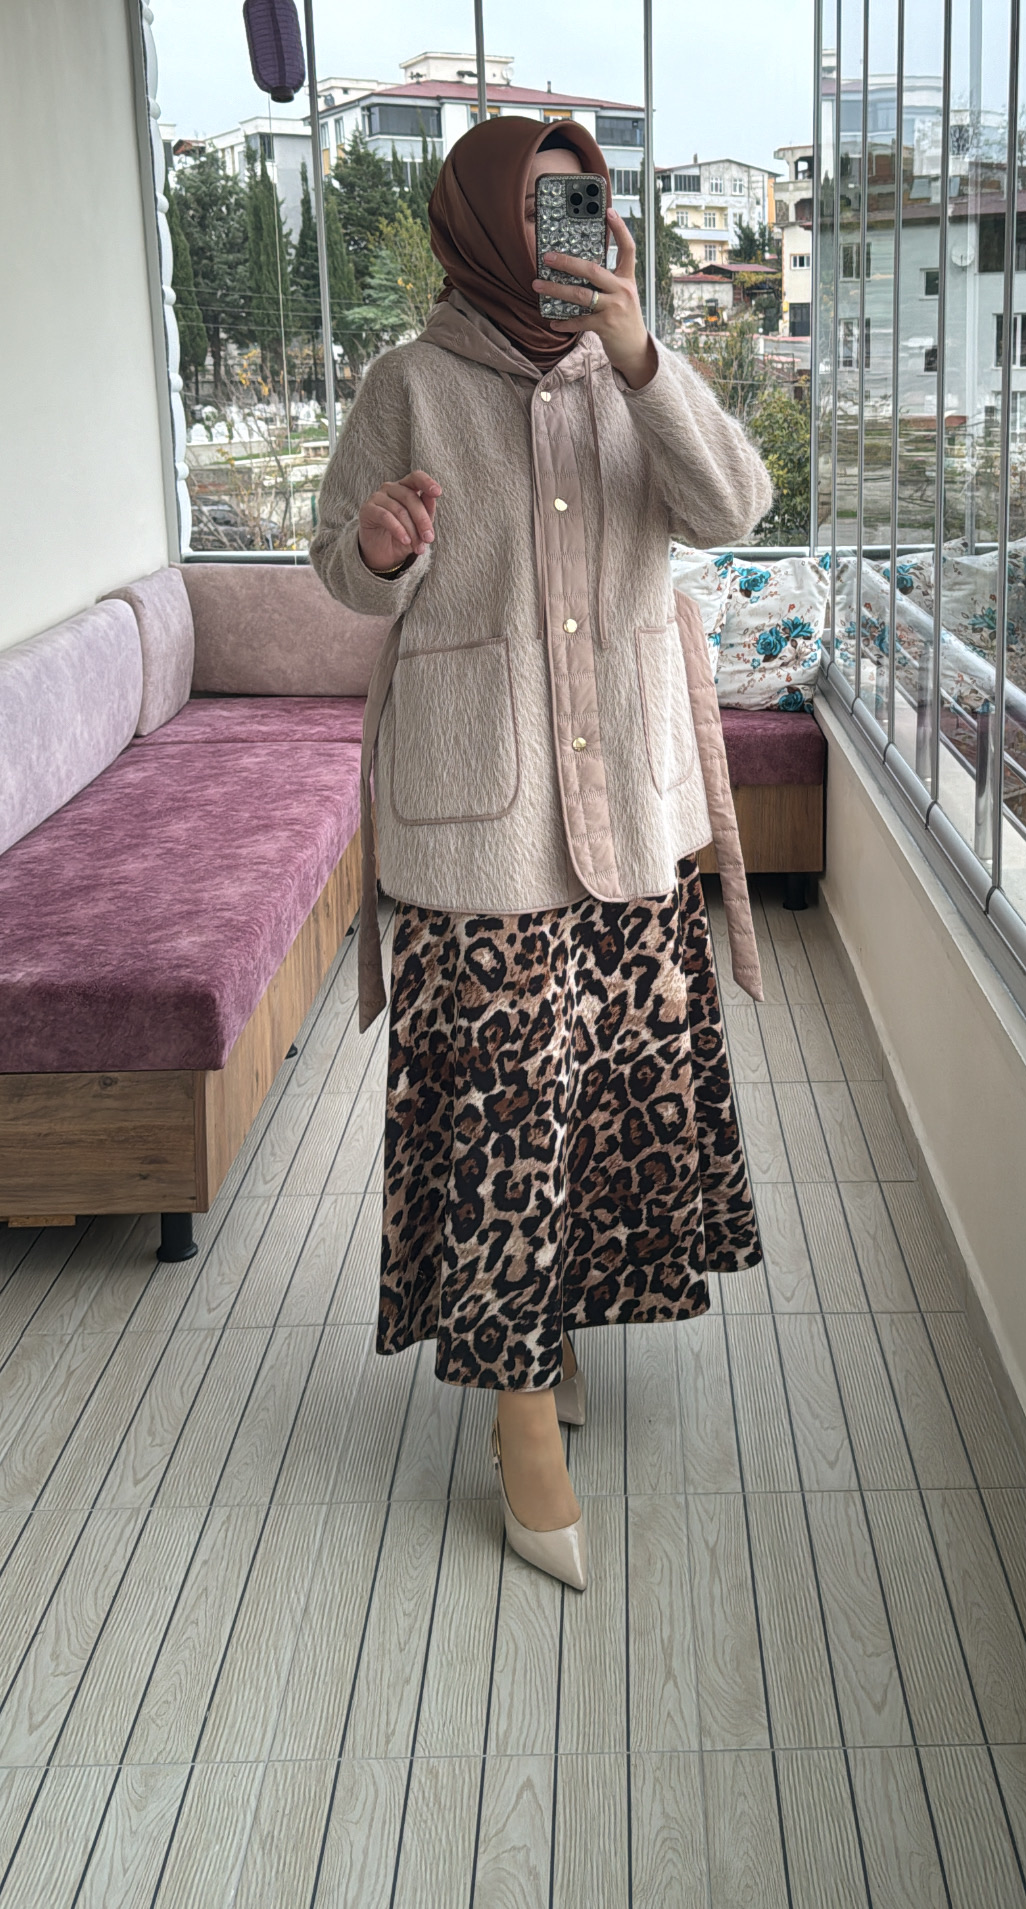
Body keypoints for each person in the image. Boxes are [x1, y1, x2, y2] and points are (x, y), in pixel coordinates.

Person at [311, 115, 772, 1591]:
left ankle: (554, 1326)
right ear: (477, 223)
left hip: (629, 802)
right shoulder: (407, 384)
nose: (566, 226)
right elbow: (340, 567)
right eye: (536, 204)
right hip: (482, 814)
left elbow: (734, 507)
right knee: (502, 1119)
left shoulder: (632, 373)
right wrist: (379, 548)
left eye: (582, 200)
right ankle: (518, 1416)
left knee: (599, 1102)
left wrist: (640, 355)